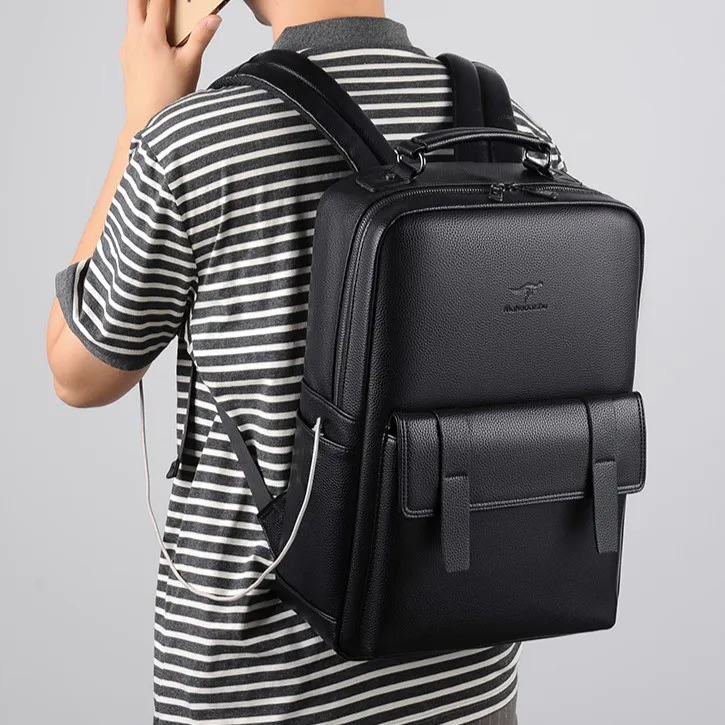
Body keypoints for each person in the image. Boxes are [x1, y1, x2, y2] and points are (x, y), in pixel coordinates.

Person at [46, 1, 566, 722]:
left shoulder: (194, 139)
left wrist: (140, 122)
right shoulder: (508, 128)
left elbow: (78, 371)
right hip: (465, 671)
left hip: (263, 687)